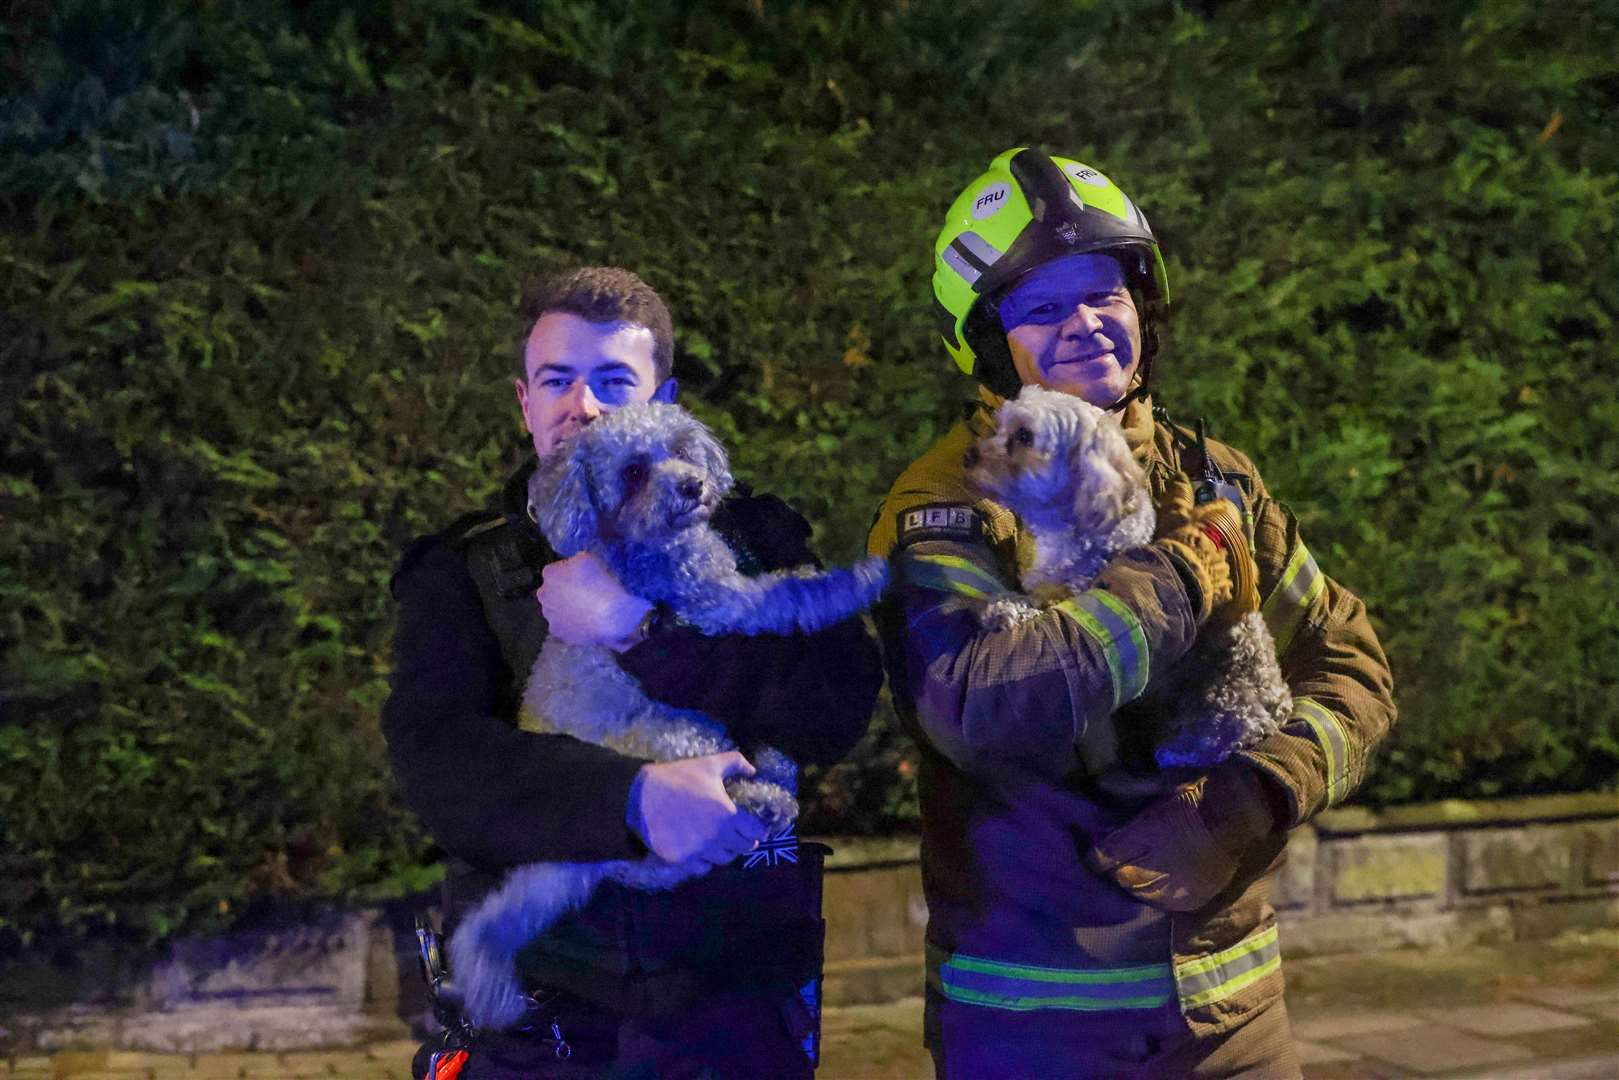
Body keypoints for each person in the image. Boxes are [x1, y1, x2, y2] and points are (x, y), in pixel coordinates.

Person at [867, 149, 1396, 1078]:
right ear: (988, 342)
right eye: (1041, 307)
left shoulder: (1217, 476)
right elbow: (978, 709)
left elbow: (1352, 667)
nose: (1086, 325)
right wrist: (1186, 574)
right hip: (1036, 1026)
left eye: (1104, 293)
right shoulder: (953, 505)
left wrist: (1253, 795)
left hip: (1237, 1018)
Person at [384, 266, 883, 1079]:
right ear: (524, 401)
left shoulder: (754, 542)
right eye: (557, 381)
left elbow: (834, 707)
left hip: (730, 999)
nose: (583, 405)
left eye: (614, 380)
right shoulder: (464, 569)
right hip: (542, 1013)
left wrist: (640, 633)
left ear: (666, 400)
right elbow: (439, 761)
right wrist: (633, 800)